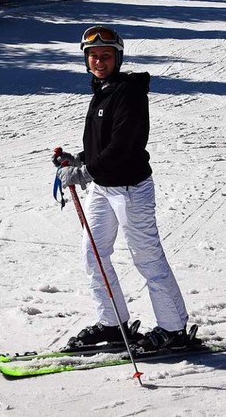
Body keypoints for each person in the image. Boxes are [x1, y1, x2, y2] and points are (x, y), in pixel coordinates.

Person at [53, 25, 190, 352]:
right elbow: (103, 145)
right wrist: (79, 160)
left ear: (118, 57)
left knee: (147, 257)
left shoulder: (128, 93)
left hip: (130, 188)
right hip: (103, 187)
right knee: (94, 253)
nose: (100, 61)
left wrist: (85, 171)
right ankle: (113, 324)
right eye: (94, 56)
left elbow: (123, 146)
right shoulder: (103, 90)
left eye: (106, 55)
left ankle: (173, 330)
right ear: (87, 60)